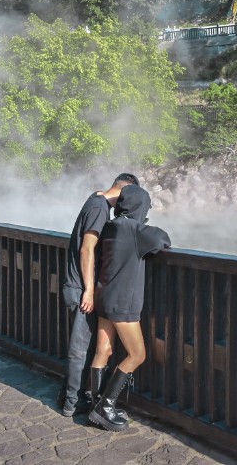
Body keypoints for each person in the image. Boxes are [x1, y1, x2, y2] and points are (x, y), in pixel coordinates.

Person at [88, 184, 171, 432]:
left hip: (104, 297)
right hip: (123, 303)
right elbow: (162, 239)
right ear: (140, 206)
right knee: (137, 355)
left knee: (103, 349)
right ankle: (106, 406)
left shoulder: (110, 227)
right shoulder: (136, 230)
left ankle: (95, 404)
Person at [60, 172, 140, 417]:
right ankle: (73, 404)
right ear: (125, 191)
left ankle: (67, 395)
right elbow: (87, 250)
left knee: (82, 346)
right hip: (79, 287)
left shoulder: (94, 201)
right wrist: (89, 290)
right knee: (80, 349)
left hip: (74, 285)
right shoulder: (99, 209)